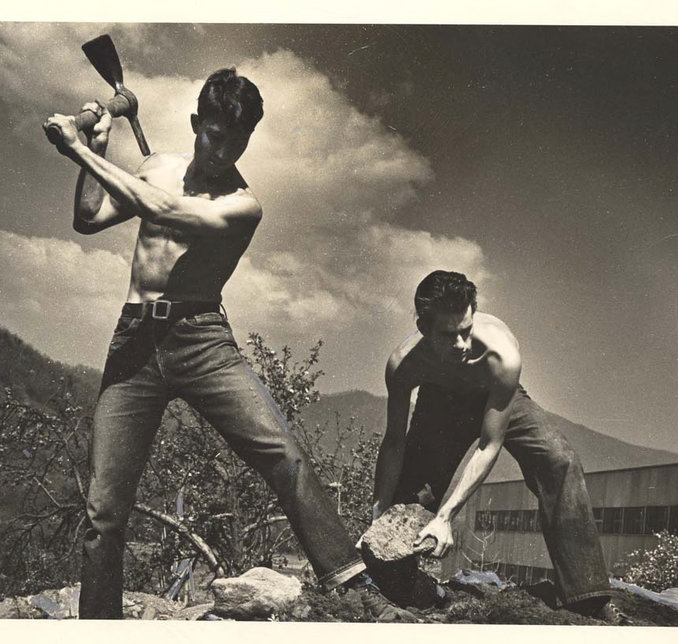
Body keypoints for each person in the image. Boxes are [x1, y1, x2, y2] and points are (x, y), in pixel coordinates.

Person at [43, 68, 414, 621]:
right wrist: (97, 150)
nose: (224, 151)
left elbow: (163, 211)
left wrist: (77, 150)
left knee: (281, 453)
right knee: (104, 510)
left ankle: (350, 586)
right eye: (216, 136)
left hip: (201, 339)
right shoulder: (155, 168)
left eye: (238, 142)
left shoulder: (244, 204)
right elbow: (88, 218)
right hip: (136, 341)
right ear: (196, 124)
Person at [371, 270, 629, 624]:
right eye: (448, 335)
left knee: (560, 461)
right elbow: (394, 442)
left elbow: (489, 445)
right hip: (440, 403)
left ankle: (587, 597)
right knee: (414, 495)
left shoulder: (501, 355)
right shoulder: (403, 365)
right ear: (423, 327)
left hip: (495, 396)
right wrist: (379, 512)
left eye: (466, 329)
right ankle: (395, 586)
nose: (462, 344)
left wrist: (446, 517)